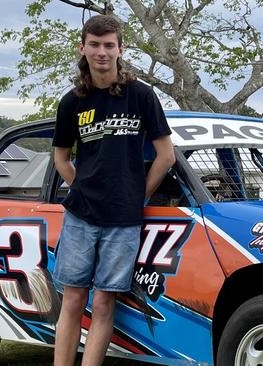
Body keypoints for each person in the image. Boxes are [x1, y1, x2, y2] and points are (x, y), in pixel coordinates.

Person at [51, 14, 175, 366]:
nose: (102, 52)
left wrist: (139, 196)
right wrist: (83, 189)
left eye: (109, 45)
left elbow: (165, 157)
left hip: (124, 219)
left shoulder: (141, 95)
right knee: (73, 300)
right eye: (95, 44)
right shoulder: (72, 102)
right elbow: (61, 159)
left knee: (104, 302)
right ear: (83, 48)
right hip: (81, 216)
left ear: (121, 49)